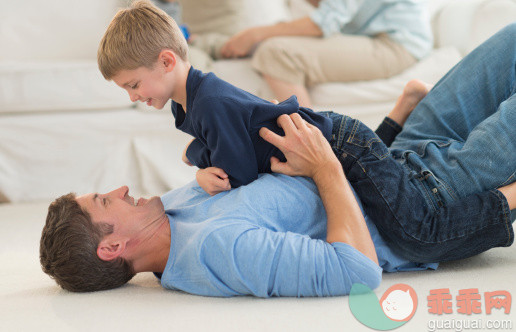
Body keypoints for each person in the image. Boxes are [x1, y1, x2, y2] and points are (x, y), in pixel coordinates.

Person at [96, 0, 426, 196]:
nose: (133, 96)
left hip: (331, 140)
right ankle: (402, 111)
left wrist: (198, 160)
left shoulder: (207, 104)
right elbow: (229, 151)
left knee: (398, 180)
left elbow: (237, 175)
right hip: (324, 136)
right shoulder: (192, 101)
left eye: (133, 84)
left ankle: (404, 113)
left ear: (167, 62)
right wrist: (199, 153)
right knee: (383, 167)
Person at [220, 0, 433, 107]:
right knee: (271, 44)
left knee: (275, 53)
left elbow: (324, 22)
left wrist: (254, 34)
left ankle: (311, 147)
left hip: (397, 43)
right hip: (368, 36)